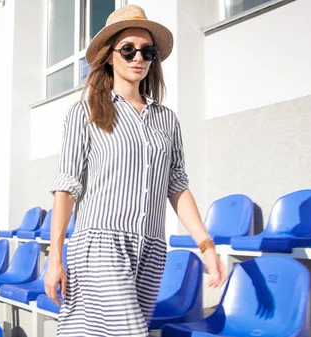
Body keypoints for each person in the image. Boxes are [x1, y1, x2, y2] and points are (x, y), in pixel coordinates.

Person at [45, 5, 226, 337]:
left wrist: (206, 245)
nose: (137, 57)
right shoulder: (84, 112)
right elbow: (67, 187)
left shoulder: (166, 120)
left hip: (151, 249)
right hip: (101, 245)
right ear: (109, 56)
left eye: (147, 51)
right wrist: (55, 254)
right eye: (127, 49)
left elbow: (177, 184)